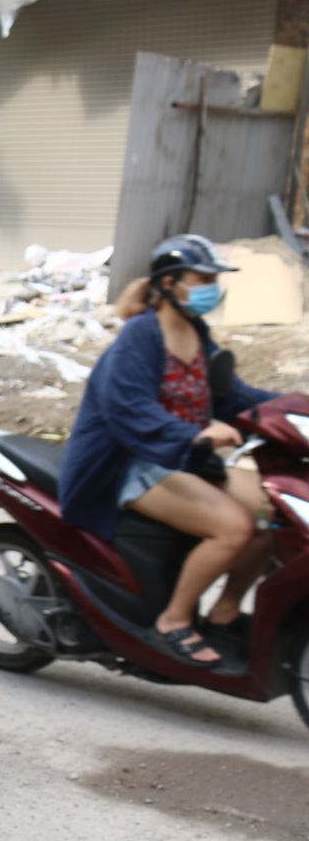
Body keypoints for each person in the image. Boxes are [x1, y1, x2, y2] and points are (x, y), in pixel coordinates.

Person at [57, 234, 277, 669]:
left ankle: (226, 608)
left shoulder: (196, 331)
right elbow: (130, 410)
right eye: (204, 278)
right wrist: (195, 437)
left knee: (275, 510)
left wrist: (285, 410)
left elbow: (229, 393)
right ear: (171, 282)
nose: (213, 286)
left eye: (215, 278)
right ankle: (173, 619)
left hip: (181, 454)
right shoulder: (140, 336)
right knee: (234, 527)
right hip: (132, 462)